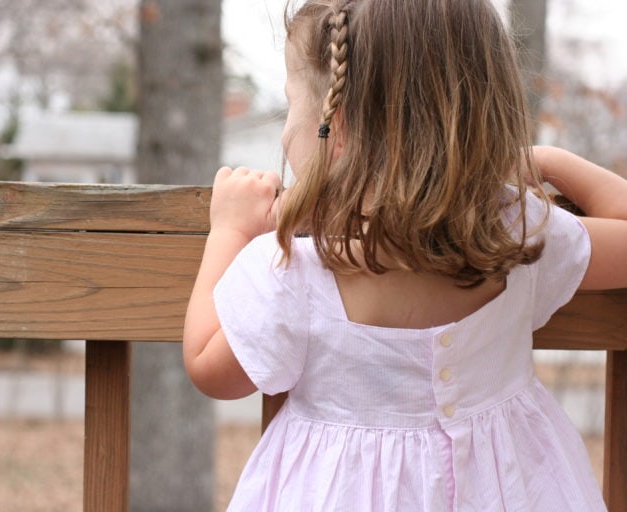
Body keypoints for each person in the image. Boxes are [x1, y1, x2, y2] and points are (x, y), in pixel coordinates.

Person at [183, 0, 627, 509]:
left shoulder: (295, 269)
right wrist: (548, 160)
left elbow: (206, 366)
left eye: (291, 105)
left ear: (339, 126)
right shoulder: (518, 233)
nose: (287, 129)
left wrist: (229, 230)